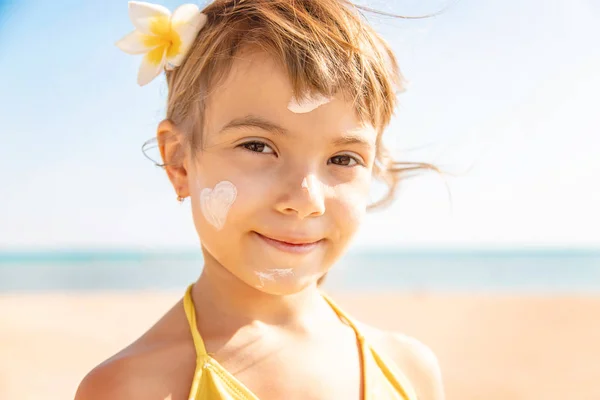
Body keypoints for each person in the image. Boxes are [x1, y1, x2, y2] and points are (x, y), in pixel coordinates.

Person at [75, 0, 445, 399]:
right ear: (179, 161)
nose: (305, 199)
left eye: (343, 158)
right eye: (258, 146)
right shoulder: (132, 388)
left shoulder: (409, 371)